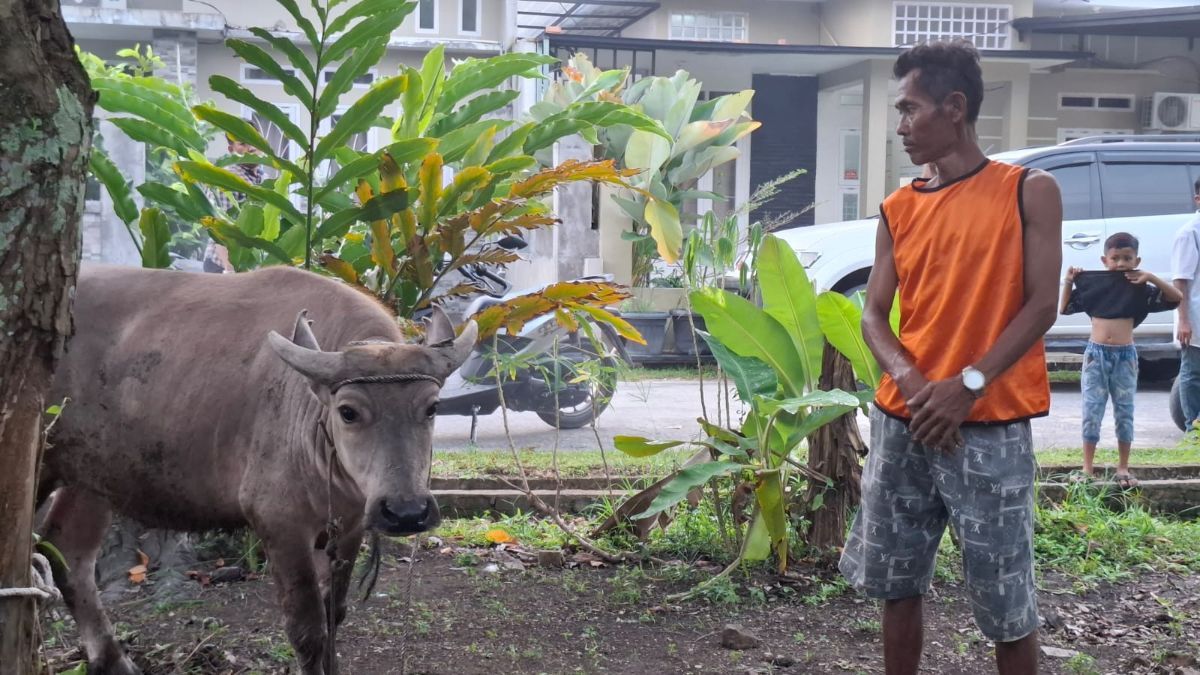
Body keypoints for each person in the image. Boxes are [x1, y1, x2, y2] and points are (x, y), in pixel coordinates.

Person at [838, 41, 1062, 675]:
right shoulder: (898, 208)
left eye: (910, 110)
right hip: (905, 422)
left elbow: (1041, 306)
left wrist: (968, 383)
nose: (902, 126)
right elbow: (874, 316)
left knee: (1006, 601)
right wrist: (912, 382)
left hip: (987, 427)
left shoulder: (1028, 193)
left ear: (954, 107)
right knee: (897, 586)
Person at [1060, 233, 1181, 487]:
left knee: (1124, 411)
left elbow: (1175, 298)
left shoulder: (1140, 288)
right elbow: (1065, 308)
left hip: (1125, 356)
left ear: (1137, 259)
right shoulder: (1095, 286)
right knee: (1092, 410)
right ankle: (1087, 468)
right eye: (1115, 258)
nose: (1121, 264)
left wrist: (1151, 277)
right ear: (1105, 260)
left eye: (1127, 258)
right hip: (1096, 355)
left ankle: (1123, 467)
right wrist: (1069, 281)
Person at [203, 131, 263, 273]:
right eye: (243, 143)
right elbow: (220, 227)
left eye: (255, 140)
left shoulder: (261, 176)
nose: (252, 147)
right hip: (223, 266)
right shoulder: (227, 179)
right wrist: (229, 270)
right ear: (231, 150)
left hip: (247, 267)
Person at [1171, 177, 1200, 430]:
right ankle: (1193, 427)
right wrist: (1184, 320)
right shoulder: (1190, 233)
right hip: (1195, 318)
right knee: (1192, 372)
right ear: (1197, 199)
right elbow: (1180, 281)